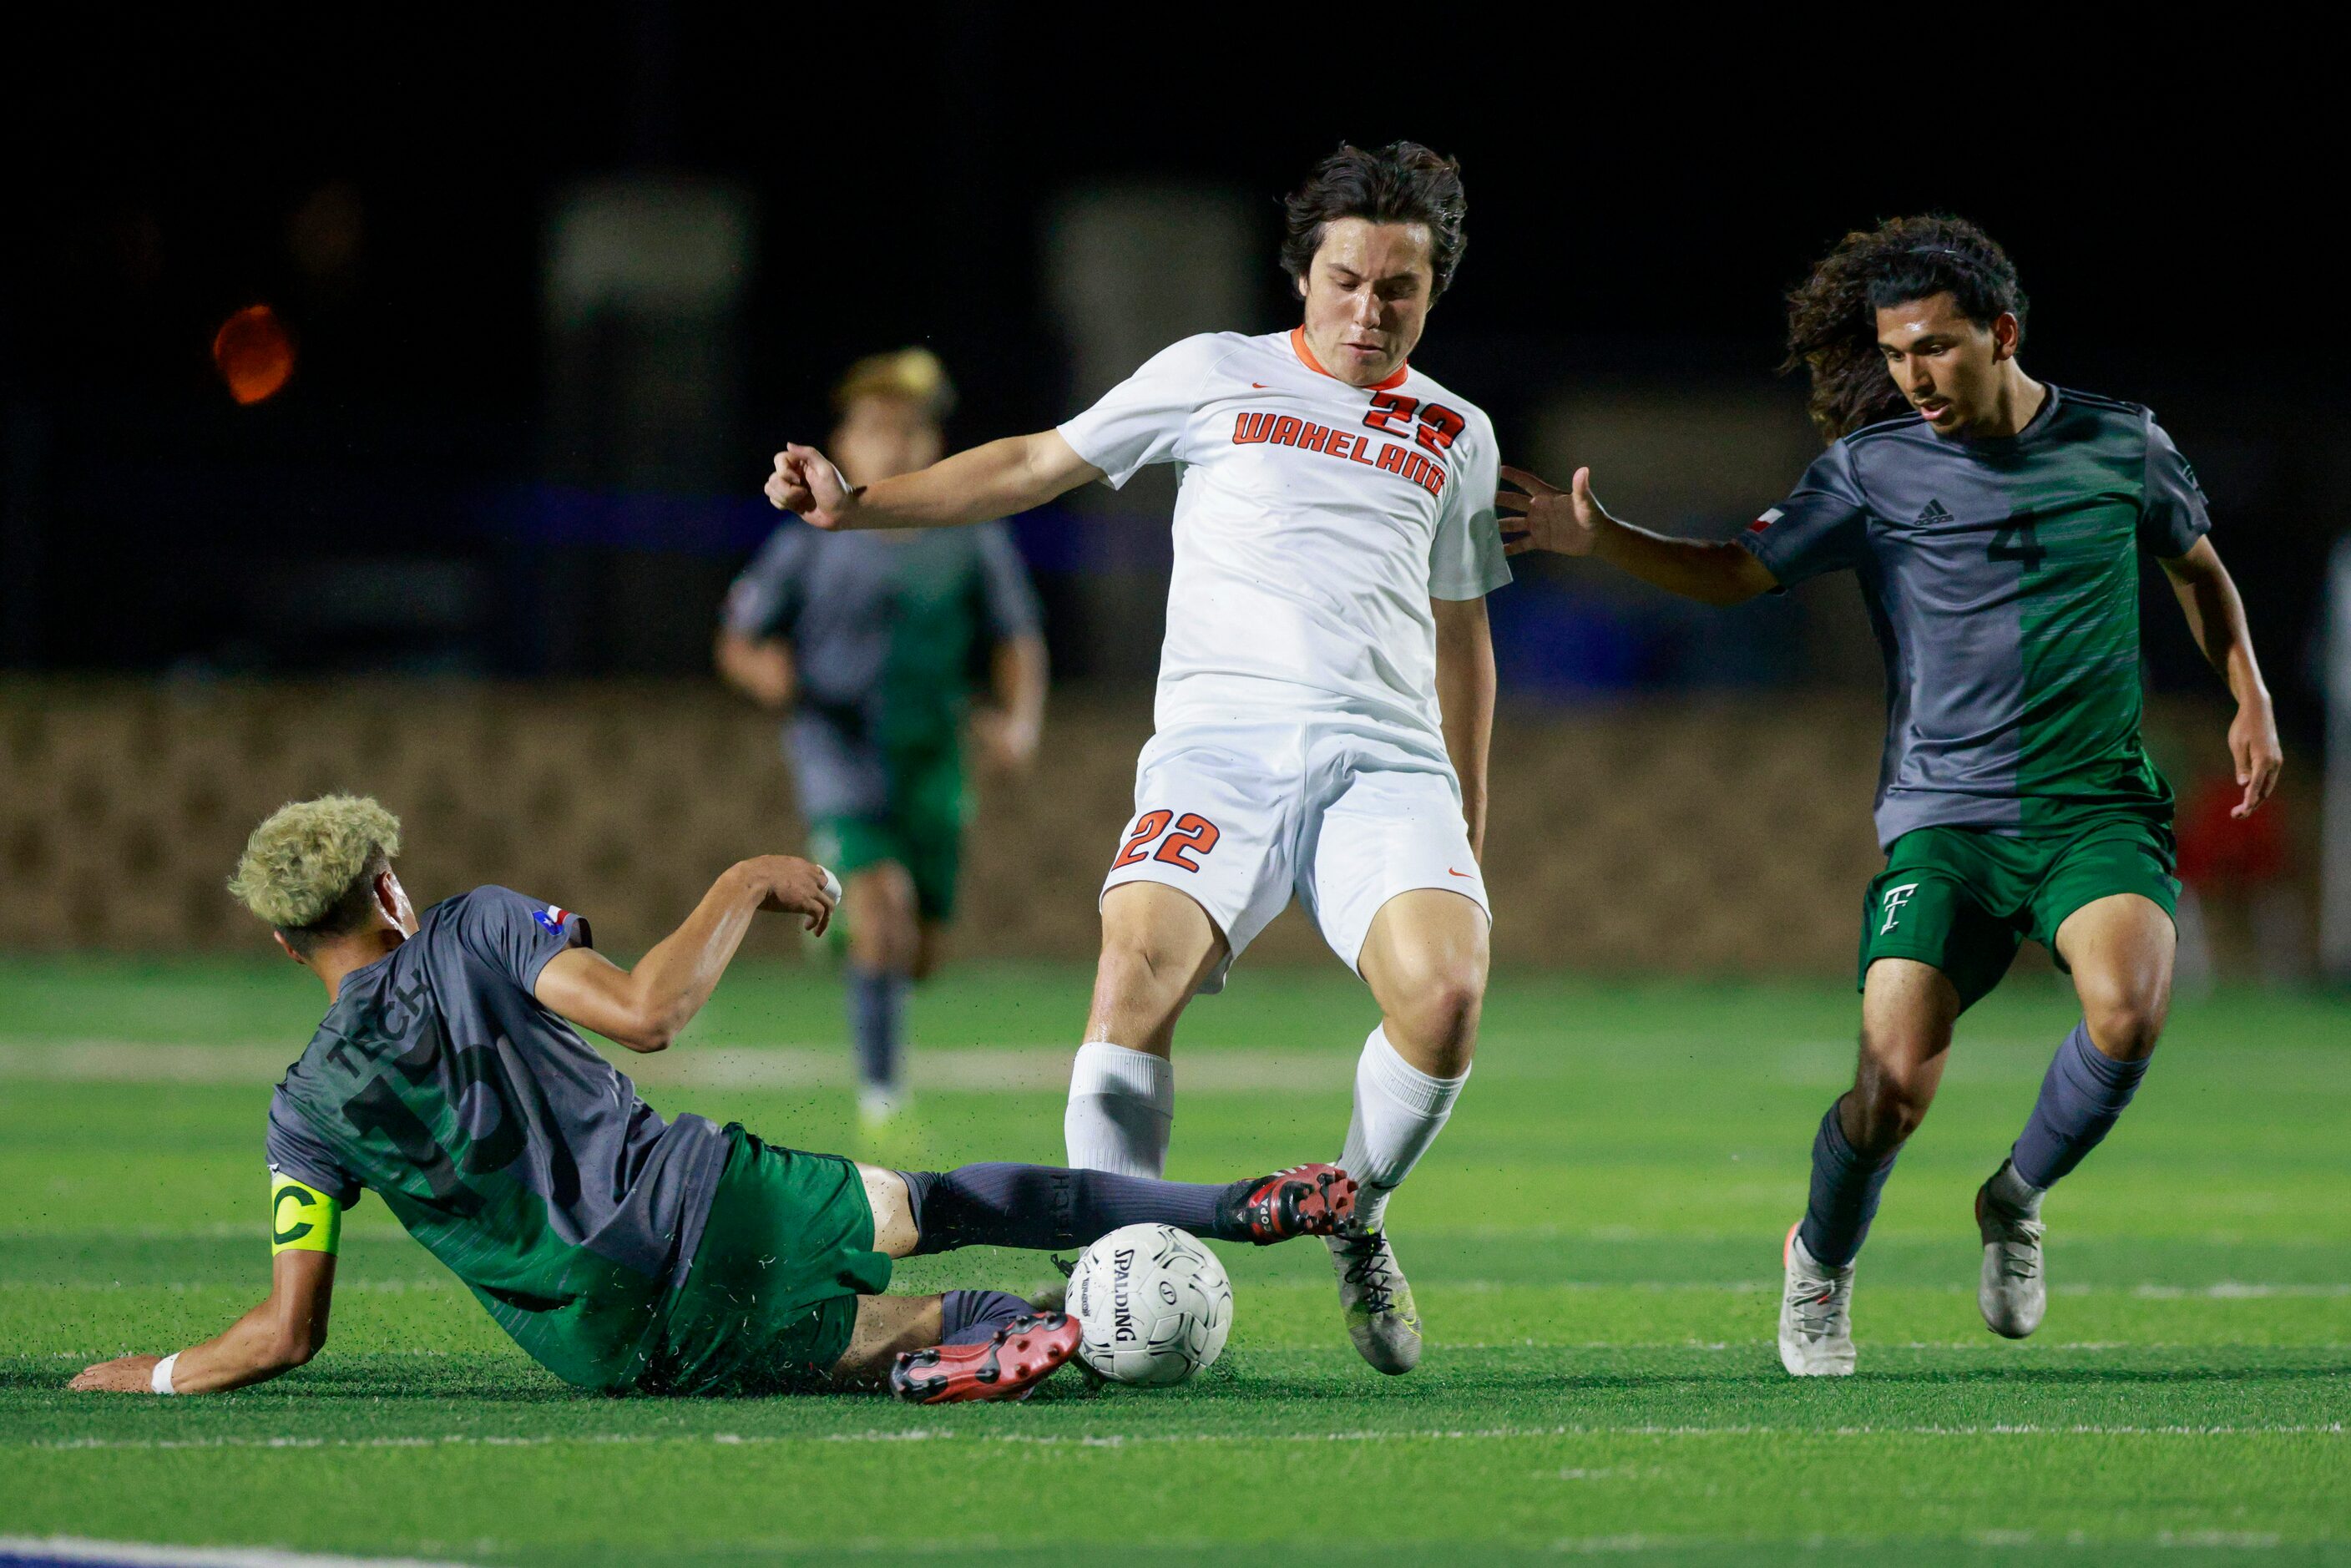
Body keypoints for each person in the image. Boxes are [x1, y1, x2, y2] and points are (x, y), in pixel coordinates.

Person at [764, 142, 1507, 1375]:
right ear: (1304, 275)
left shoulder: (1457, 432)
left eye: (1399, 288)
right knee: (1133, 977)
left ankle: (1357, 1212)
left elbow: (1464, 635)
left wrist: (1469, 811)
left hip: (1386, 768)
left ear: (1433, 291)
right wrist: (864, 502)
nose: (1369, 309)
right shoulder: (1215, 375)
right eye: (1347, 279)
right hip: (1218, 757)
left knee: (1446, 1002)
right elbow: (1035, 462)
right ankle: (1107, 1288)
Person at [1498, 216, 2283, 1376]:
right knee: (1892, 1083)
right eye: (1896, 351)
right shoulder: (1872, 471)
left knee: (2128, 1012)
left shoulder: (2123, 446)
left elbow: (2199, 571)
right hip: (1946, 818)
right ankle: (1819, 1258)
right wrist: (1602, 537)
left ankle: (2014, 1199)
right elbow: (1735, 572)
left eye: (1936, 347)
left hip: (2093, 806)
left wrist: (2249, 694)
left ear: (2001, 333)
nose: (1911, 375)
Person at [67, 796, 1354, 1404]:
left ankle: (976, 1341)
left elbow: (284, 1334)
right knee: (938, 1199)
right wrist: (743, 876)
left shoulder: (306, 1110)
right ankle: (1233, 1208)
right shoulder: (471, 929)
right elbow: (650, 1014)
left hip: (609, 1340)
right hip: (702, 1202)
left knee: (871, 1331)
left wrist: (136, 1373)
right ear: (391, 891)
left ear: (293, 946)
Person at [718, 347, 1048, 1134]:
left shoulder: (967, 535)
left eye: (909, 430)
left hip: (934, 757)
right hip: (839, 749)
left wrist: (1020, 719)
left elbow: (1016, 640)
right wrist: (766, 672)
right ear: (845, 441)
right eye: (874, 429)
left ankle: (847, 945)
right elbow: (740, 635)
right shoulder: (811, 537)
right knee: (884, 908)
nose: (893, 445)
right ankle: (881, 1098)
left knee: (920, 952)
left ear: (933, 447)